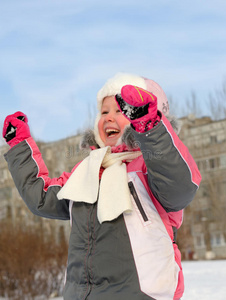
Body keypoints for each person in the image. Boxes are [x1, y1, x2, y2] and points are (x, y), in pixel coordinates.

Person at [2, 73, 201, 300]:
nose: (108, 118)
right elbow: (42, 198)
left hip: (141, 294)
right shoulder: (86, 172)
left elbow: (179, 188)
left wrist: (150, 127)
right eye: (104, 112)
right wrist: (20, 146)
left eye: (120, 110)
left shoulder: (149, 167)